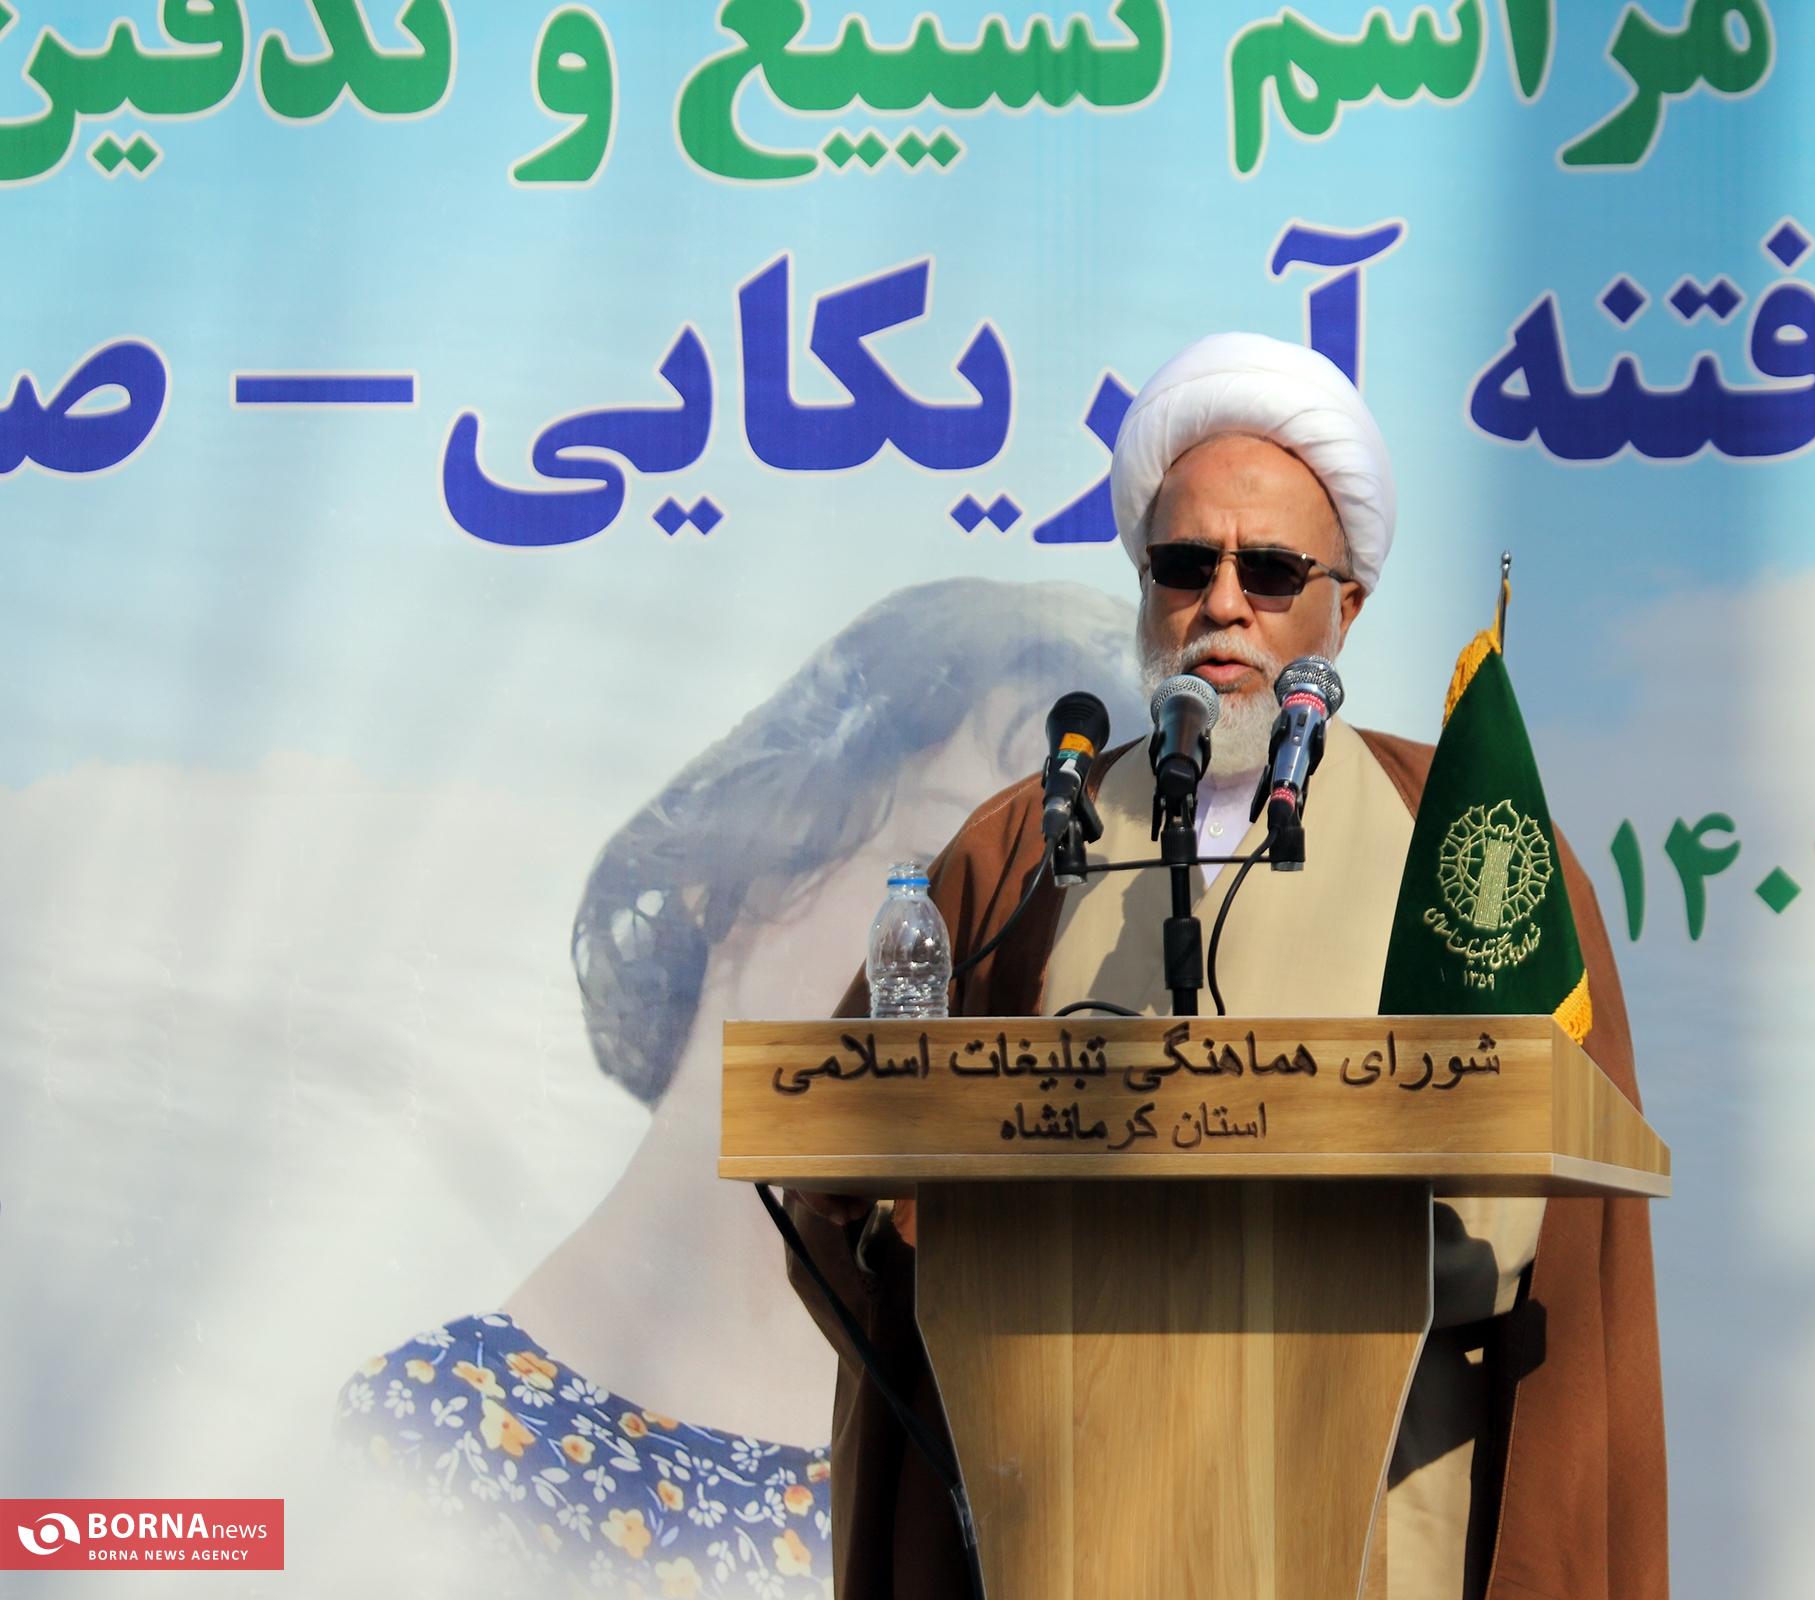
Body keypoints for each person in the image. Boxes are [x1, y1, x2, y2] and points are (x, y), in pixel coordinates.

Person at [781, 335, 1667, 1600]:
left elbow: (1549, 1236)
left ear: (1346, 606)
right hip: (1074, 1528)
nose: (1225, 603)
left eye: (1273, 570)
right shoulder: (1024, 849)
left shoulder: (1465, 840)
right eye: (1187, 565)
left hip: (1379, 1525)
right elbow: (857, 1182)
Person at [336, 578, 1145, 1600]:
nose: (966, 959)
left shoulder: (1017, 1478)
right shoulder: (431, 1438)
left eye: (1041, 916)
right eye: (933, 864)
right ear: (736, 868)